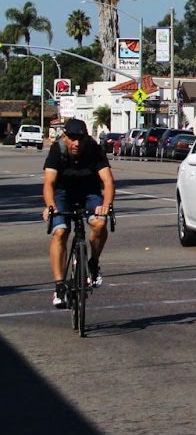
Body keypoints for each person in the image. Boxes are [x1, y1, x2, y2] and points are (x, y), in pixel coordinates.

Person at [42, 118, 115, 310]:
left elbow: (107, 181)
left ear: (86, 138)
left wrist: (106, 205)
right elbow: (49, 183)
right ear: (65, 137)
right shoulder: (57, 150)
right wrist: (50, 206)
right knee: (60, 231)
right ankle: (59, 285)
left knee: (99, 224)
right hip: (62, 194)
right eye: (72, 139)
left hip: (89, 192)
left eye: (80, 139)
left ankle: (93, 263)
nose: (76, 143)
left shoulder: (93, 149)